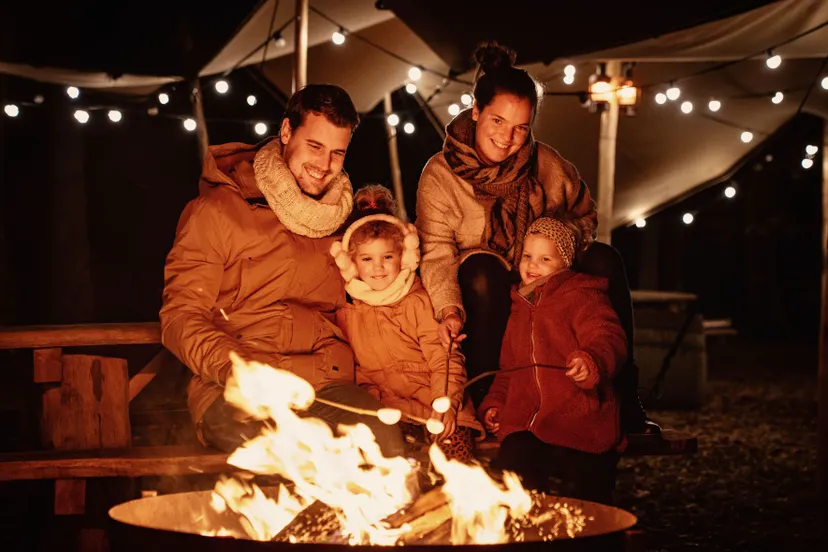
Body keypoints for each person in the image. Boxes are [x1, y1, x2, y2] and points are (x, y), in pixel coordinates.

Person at [414, 41, 658, 434]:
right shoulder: (441, 175)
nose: (507, 138)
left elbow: (583, 216)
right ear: (476, 112)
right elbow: (437, 253)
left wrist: (554, 247)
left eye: (520, 128)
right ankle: (488, 401)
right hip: (484, 291)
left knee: (605, 258)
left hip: (545, 278)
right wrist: (448, 310)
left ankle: (623, 393)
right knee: (481, 270)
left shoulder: (546, 165)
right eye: (497, 121)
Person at [159, 84, 405, 457]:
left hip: (327, 383)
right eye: (315, 146)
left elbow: (380, 291)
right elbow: (180, 316)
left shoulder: (344, 221)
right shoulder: (218, 211)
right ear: (287, 132)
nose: (324, 165)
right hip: (243, 388)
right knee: (287, 454)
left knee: (383, 442)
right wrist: (240, 372)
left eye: (337, 152)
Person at [479, 217, 627, 503]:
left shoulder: (582, 297)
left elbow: (608, 336)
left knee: (588, 490)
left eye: (545, 258)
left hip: (578, 418)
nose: (532, 265)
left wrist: (592, 360)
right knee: (515, 467)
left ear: (565, 263)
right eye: (527, 256)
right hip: (527, 425)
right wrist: (496, 404)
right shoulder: (518, 308)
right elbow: (509, 370)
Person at [331, 186, 484, 463]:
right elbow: (352, 370)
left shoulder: (417, 301)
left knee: (453, 449)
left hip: (434, 400)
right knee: (390, 458)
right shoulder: (349, 310)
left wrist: (447, 403)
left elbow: (444, 357)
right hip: (388, 407)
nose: (378, 268)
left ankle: (454, 497)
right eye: (367, 259)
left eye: (387, 257)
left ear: (403, 257)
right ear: (352, 263)